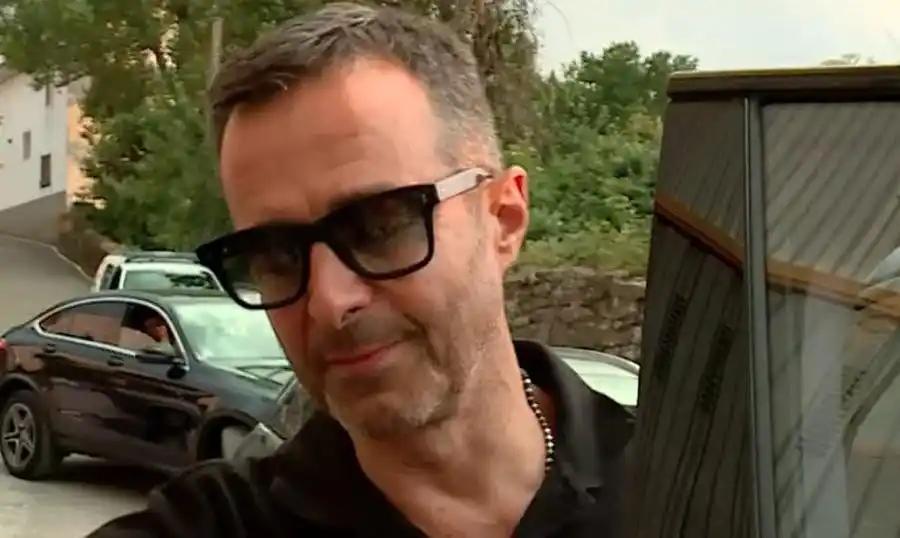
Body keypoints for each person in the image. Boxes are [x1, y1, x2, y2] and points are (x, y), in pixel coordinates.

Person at [89, 3, 634, 537]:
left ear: (503, 219)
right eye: (277, 255)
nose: (330, 302)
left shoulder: (672, 486)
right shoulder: (213, 523)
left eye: (379, 226)